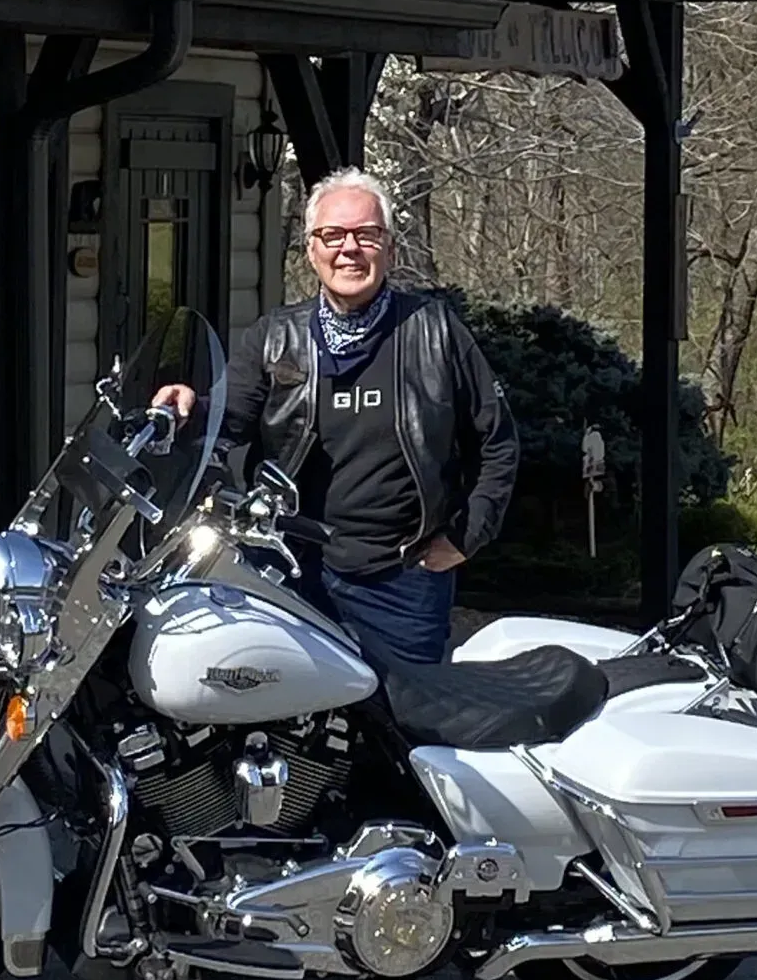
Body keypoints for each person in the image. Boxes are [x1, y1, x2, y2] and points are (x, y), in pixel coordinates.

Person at [156, 168, 517, 669]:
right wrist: (187, 408)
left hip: (402, 583)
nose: (349, 248)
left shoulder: (436, 333)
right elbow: (226, 419)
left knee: (404, 736)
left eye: (367, 234)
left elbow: (498, 442)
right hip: (287, 573)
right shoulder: (274, 338)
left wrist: (465, 537)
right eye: (333, 235)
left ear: (389, 248)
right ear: (311, 249)